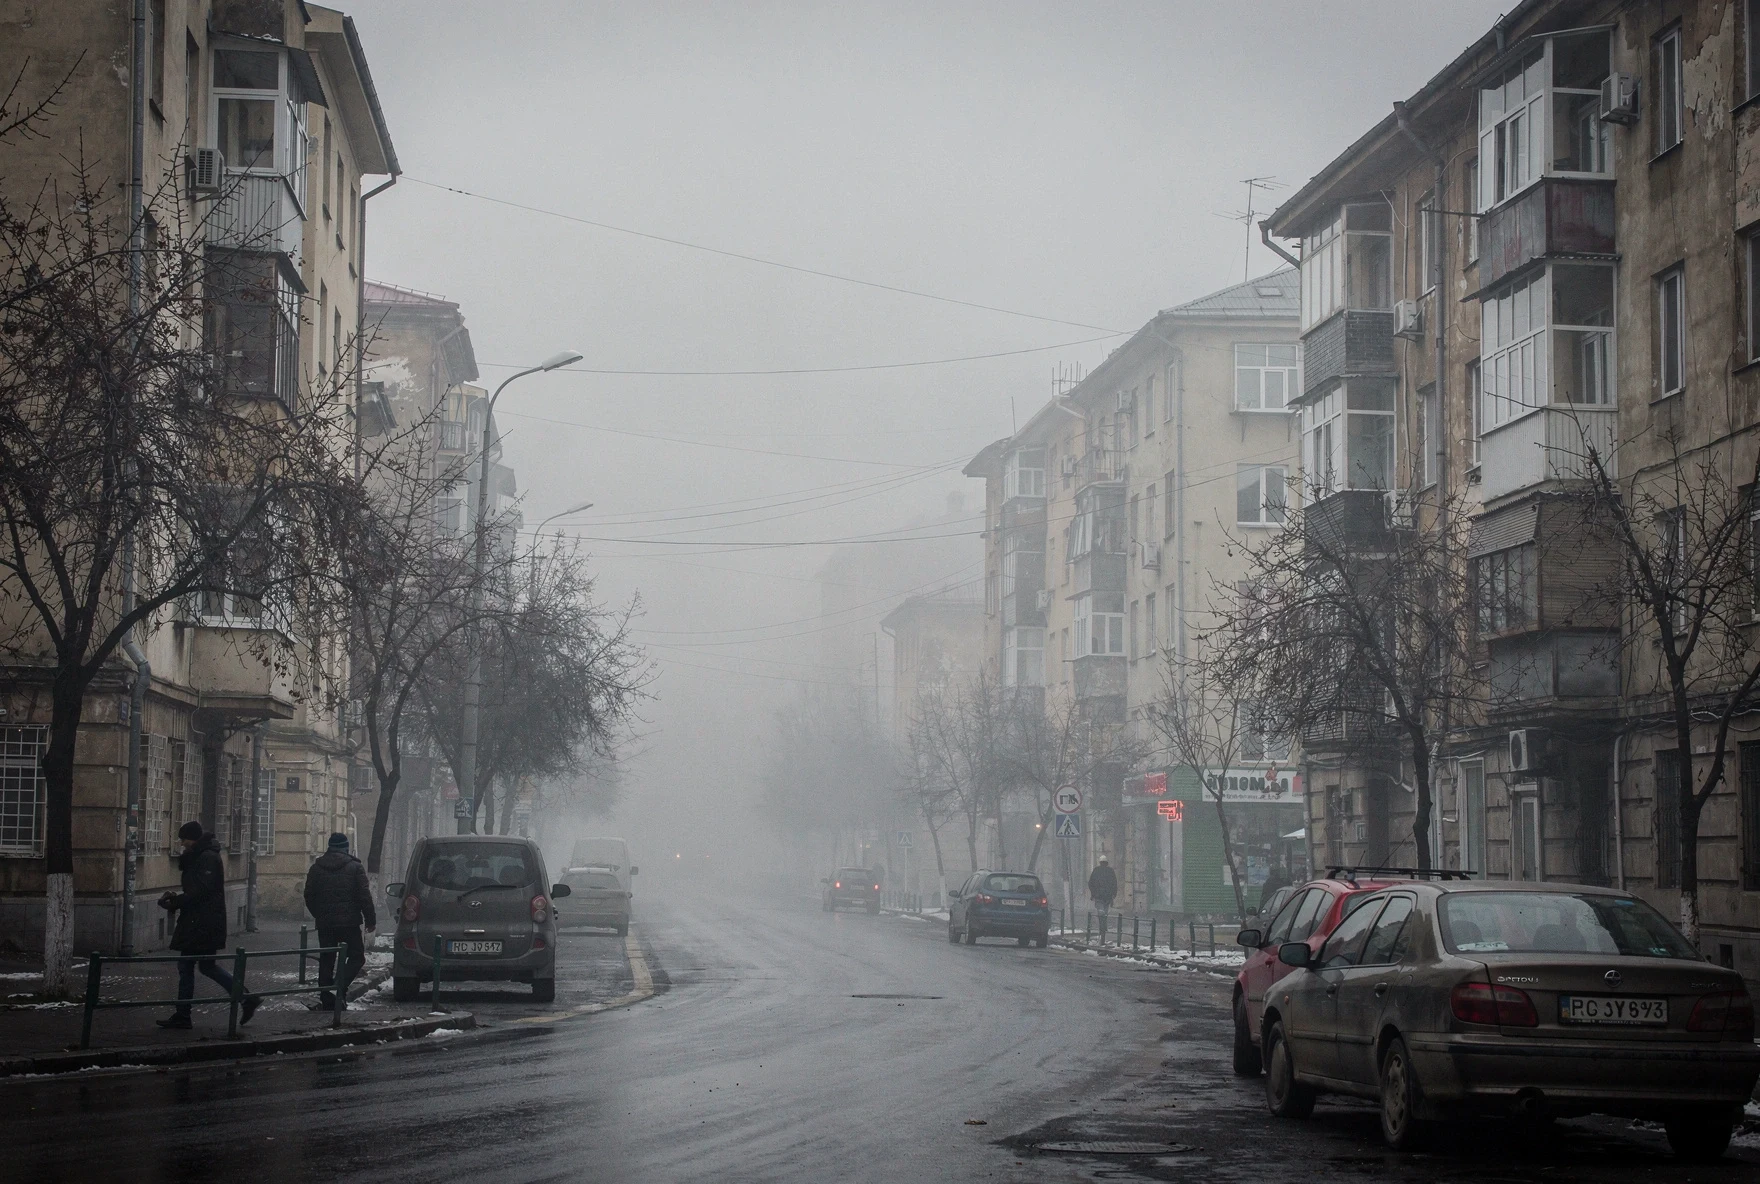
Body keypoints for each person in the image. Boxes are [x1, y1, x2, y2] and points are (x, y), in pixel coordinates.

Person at [157, 821, 260, 1029]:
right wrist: (178, 900)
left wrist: (176, 902)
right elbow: (198, 890)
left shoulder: (207, 858)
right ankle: (245, 998)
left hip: (201, 923)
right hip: (202, 921)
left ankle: (183, 1015)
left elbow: (200, 891)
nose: (182, 843)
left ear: (193, 839)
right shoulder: (204, 856)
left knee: (188, 967)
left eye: (184, 839)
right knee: (207, 967)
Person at [303, 831, 376, 1011]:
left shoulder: (316, 868)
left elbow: (308, 895)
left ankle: (327, 997)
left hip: (325, 923)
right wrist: (370, 921)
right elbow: (364, 897)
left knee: (327, 959)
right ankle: (338, 989)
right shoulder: (355, 867)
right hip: (349, 923)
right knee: (357, 957)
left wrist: (319, 914)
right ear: (345, 848)